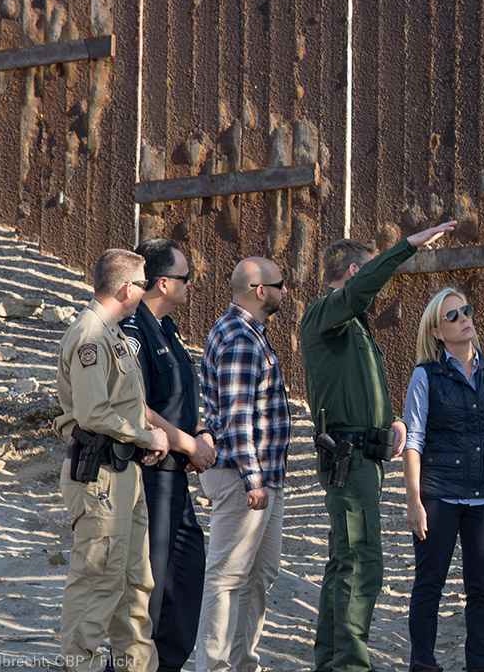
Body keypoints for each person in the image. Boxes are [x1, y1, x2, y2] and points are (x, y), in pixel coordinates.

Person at [301, 220, 457, 672]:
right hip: (347, 461)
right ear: (352, 272)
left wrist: (389, 420)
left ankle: (332, 660)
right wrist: (405, 248)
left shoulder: (351, 327)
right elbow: (358, 292)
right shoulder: (326, 310)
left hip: (364, 456)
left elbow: (355, 385)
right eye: (367, 274)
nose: (374, 287)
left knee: (344, 562)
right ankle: (349, 663)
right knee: (361, 563)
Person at [55, 248, 170, 672]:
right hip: (100, 477)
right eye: (142, 284)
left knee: (133, 584)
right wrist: (145, 434)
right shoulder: (90, 336)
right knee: (96, 586)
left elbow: (125, 403)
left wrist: (146, 438)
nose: (145, 291)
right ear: (126, 288)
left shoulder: (113, 333)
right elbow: (93, 413)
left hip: (124, 473)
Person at [402, 288, 484, 672]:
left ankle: (481, 665)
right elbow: (414, 440)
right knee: (429, 585)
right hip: (439, 493)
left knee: (482, 589)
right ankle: (423, 664)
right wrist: (414, 500)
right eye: (452, 316)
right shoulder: (425, 376)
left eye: (465, 311)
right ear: (437, 331)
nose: (463, 319)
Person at [119, 239, 215, 672]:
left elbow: (184, 397)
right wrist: (188, 443)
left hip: (177, 476)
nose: (191, 285)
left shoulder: (170, 330)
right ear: (162, 282)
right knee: (151, 591)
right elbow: (134, 404)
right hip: (148, 475)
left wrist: (201, 433)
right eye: (185, 278)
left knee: (187, 576)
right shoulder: (133, 330)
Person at [196, 257, 292, 672]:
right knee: (227, 576)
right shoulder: (239, 337)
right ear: (259, 290)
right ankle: (214, 666)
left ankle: (242, 663)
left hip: (262, 478)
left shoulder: (252, 333)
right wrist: (253, 479)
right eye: (279, 284)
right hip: (243, 478)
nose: (284, 291)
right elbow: (237, 416)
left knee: (259, 574)